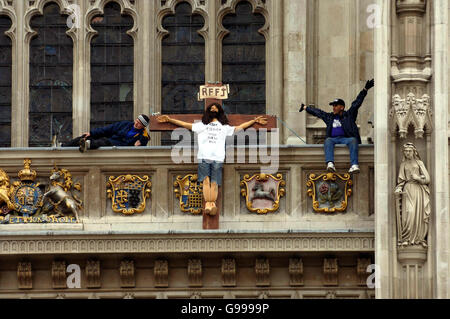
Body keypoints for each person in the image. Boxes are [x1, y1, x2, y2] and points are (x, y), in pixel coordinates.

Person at [158, 103, 267, 216]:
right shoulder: (202, 126)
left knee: (214, 182)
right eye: (211, 108)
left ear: (219, 112)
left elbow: (239, 127)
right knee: (206, 181)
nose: (213, 109)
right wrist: (170, 120)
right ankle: (208, 204)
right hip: (204, 156)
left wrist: (254, 121)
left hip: (218, 157)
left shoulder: (224, 127)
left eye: (215, 108)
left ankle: (212, 203)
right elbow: (186, 125)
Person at [299, 79, 374, 174]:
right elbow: (318, 112)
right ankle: (330, 163)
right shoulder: (330, 117)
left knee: (353, 140)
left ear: (342, 107)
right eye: (333, 105)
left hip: (346, 139)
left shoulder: (349, 115)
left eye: (336, 105)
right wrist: (306, 108)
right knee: (328, 140)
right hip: (334, 139)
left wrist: (365, 89)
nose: (333, 107)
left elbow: (356, 104)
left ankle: (354, 165)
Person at [394, 143, 430, 248]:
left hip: (419, 190)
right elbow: (401, 181)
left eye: (409, 151)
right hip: (408, 190)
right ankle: (406, 238)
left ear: (414, 152)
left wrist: (418, 178)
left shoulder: (419, 163)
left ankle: (420, 238)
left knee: (419, 214)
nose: (407, 153)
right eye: (405, 151)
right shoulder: (403, 165)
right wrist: (398, 188)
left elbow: (427, 179)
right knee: (409, 213)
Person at [62, 114, 150, 152]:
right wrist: (92, 133)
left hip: (115, 145)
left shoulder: (143, 137)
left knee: (102, 142)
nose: (136, 123)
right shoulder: (126, 124)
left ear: (143, 126)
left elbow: (141, 150)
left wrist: (135, 147)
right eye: (136, 120)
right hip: (110, 140)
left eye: (139, 123)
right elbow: (108, 129)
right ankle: (63, 147)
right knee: (84, 136)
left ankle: (87, 145)